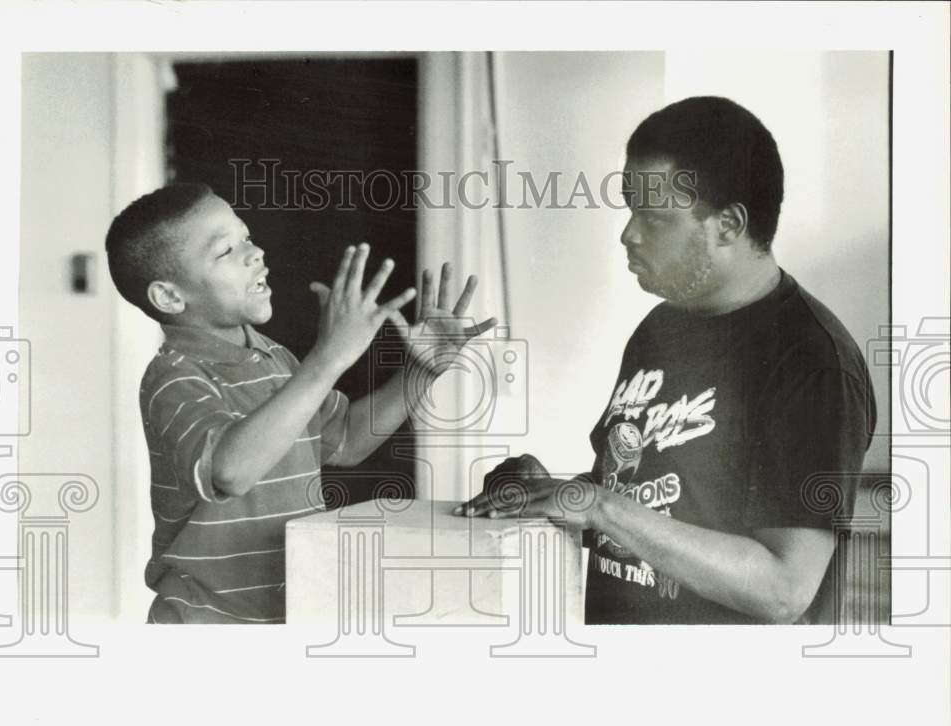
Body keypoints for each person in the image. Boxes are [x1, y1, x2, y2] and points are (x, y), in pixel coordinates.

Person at [455, 96, 876, 624]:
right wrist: (552, 492)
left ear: (728, 224)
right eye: (630, 210)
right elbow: (642, 501)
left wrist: (598, 506)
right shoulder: (661, 329)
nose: (629, 234)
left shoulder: (813, 361)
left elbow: (783, 588)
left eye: (653, 217)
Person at [106, 183, 495, 623]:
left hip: (292, 612)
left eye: (247, 237)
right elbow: (229, 471)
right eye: (225, 251)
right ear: (171, 297)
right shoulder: (173, 378)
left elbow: (346, 440)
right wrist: (326, 360)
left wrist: (418, 375)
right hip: (206, 626)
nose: (255, 253)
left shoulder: (273, 357)